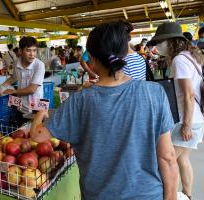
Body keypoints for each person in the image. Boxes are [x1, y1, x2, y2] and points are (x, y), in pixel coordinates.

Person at [30, 22, 178, 200]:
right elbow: (167, 157)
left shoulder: (79, 101)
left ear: (91, 59)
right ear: (125, 52)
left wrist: (39, 114)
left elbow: (38, 135)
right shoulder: (154, 93)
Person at [152, 22, 204, 199]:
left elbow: (189, 94)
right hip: (195, 118)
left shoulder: (179, 60)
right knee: (183, 159)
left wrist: (186, 125)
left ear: (171, 41)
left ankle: (171, 196)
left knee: (166, 160)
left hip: (188, 120)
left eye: (161, 41)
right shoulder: (189, 56)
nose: (158, 46)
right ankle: (187, 195)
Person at [0, 36, 45, 121]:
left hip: (35, 109)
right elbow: (14, 77)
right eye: (28, 50)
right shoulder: (17, 62)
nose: (32, 54)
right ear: (21, 51)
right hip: (20, 106)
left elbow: (32, 89)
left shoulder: (39, 65)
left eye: (34, 50)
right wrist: (2, 86)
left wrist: (13, 91)